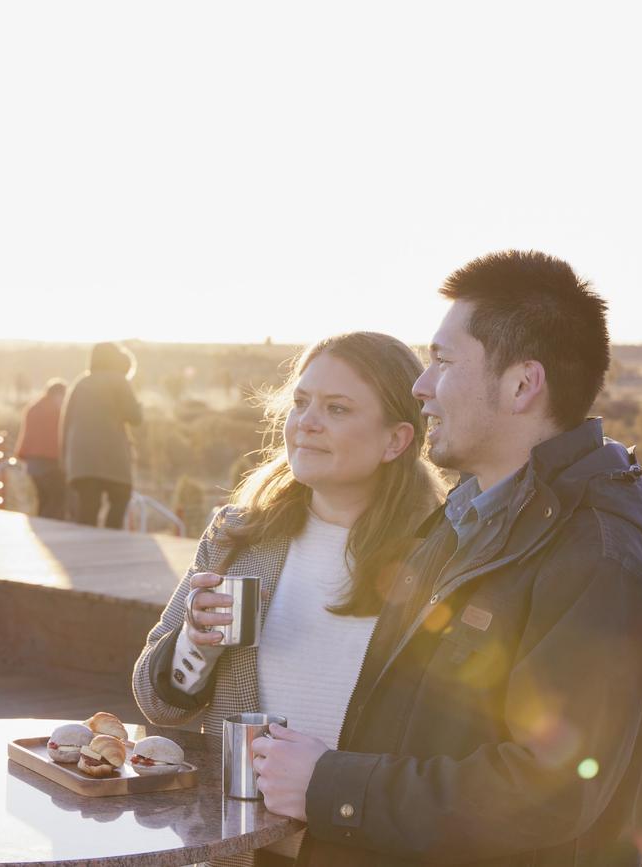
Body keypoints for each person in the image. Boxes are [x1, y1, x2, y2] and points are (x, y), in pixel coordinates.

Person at [251, 251, 642, 867]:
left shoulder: (596, 553)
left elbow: (553, 789)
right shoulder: (468, 515)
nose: (421, 386)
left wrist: (332, 786)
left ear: (522, 384)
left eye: (442, 361)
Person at [132, 331, 445, 867]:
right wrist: (194, 645)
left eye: (337, 408)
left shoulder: (441, 560)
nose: (307, 422)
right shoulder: (238, 538)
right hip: (246, 847)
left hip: (366, 849)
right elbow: (157, 703)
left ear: (396, 440)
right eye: (300, 403)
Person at [61, 341, 143, 529]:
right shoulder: (118, 380)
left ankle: (86, 551)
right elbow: (135, 417)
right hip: (110, 457)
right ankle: (111, 541)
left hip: (80, 460)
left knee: (88, 509)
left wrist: (65, 460)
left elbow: (65, 423)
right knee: (121, 496)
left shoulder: (80, 382)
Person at [14, 378, 67, 519]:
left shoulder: (33, 407)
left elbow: (26, 435)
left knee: (43, 498)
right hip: (49, 462)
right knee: (57, 498)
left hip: (32, 463)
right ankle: (50, 530)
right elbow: (58, 438)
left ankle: (41, 527)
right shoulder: (55, 410)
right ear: (58, 394)